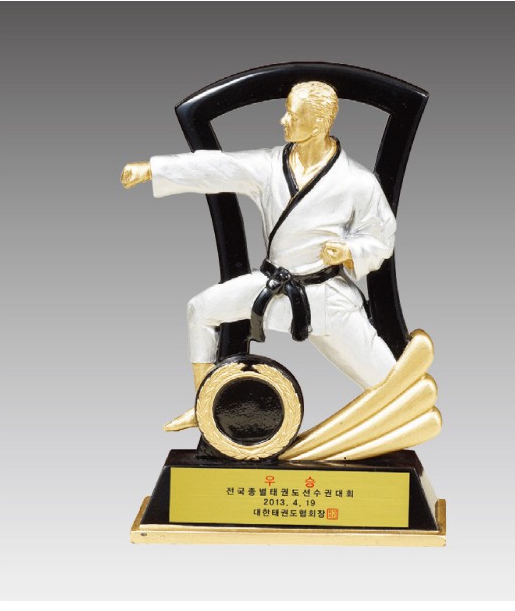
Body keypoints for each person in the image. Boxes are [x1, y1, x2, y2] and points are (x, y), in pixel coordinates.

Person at [121, 81, 398, 431]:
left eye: (292, 114)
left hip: (325, 297)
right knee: (201, 309)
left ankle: (401, 410)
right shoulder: (271, 166)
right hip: (273, 284)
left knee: (387, 381)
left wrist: (348, 251)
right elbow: (219, 167)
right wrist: (152, 170)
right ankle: (204, 406)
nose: (283, 120)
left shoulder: (357, 181)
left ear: (318, 124)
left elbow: (382, 238)